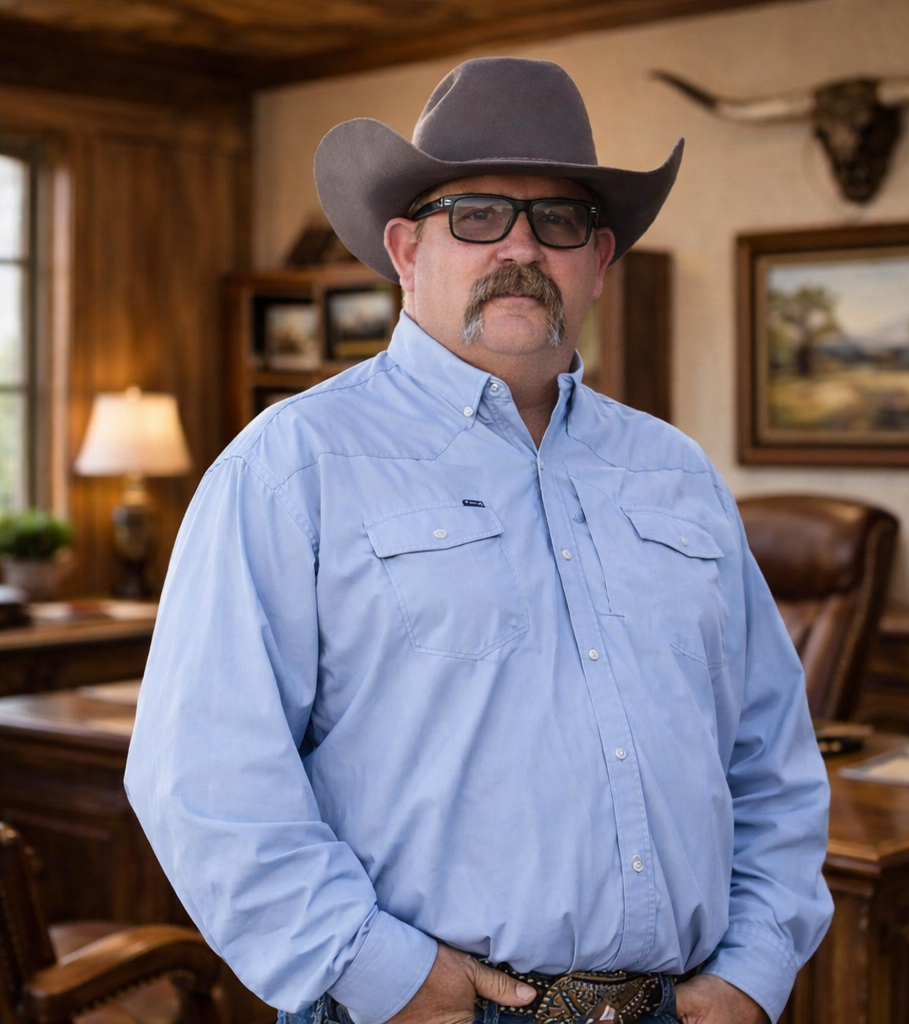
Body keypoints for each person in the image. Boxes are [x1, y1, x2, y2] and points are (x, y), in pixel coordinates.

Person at [125, 57, 832, 1024]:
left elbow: (773, 764)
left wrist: (753, 974)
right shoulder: (290, 467)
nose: (523, 249)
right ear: (406, 249)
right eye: (478, 215)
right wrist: (380, 974)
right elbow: (201, 777)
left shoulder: (678, 475)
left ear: (600, 259)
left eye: (560, 221)